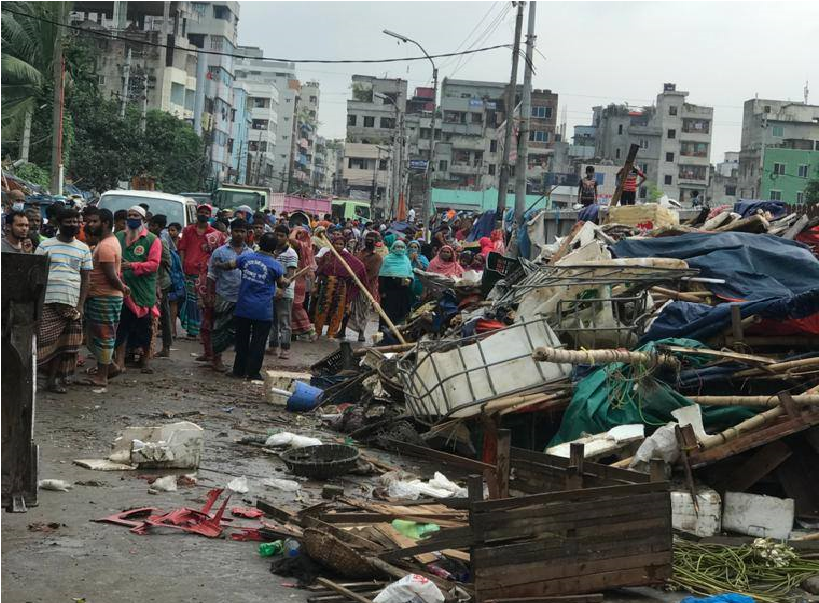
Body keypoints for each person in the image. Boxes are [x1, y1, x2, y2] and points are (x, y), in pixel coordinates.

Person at [214, 232, 291, 381]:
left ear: (259, 243)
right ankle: (253, 373)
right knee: (259, 343)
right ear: (275, 248)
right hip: (263, 311)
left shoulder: (246, 258)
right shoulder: (275, 265)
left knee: (241, 341)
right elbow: (282, 283)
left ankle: (238, 371)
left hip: (243, 308)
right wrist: (286, 282)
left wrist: (217, 264)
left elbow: (229, 265)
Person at [35, 207, 93, 393]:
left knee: (64, 346)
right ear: (59, 223)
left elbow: (86, 279)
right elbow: (36, 273)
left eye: (76, 222)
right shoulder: (46, 246)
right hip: (48, 302)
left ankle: (53, 380)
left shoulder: (83, 249)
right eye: (69, 222)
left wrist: (81, 305)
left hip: (71, 304)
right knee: (42, 343)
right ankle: (34, 380)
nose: (73, 225)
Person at [82, 209, 130, 388]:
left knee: (104, 337)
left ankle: (103, 376)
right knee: (98, 336)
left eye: (94, 221)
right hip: (101, 296)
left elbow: (111, 275)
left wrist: (122, 287)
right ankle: (109, 367)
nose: (89, 225)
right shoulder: (107, 243)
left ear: (105, 223)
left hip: (105, 297)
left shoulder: (106, 246)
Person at [113, 206, 161, 375]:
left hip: (143, 290)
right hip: (121, 289)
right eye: (130, 215)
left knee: (145, 328)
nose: (132, 218)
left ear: (143, 220)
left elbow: (154, 264)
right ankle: (119, 360)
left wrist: (132, 265)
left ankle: (146, 360)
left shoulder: (152, 240)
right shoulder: (118, 237)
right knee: (121, 326)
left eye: (136, 216)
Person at [207, 219, 251, 371]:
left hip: (243, 297)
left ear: (247, 233)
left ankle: (239, 363)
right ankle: (216, 359)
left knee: (240, 331)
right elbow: (211, 275)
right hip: (223, 295)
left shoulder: (251, 254)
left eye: (243, 231)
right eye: (237, 230)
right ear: (231, 232)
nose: (239, 234)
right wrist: (209, 294)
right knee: (219, 328)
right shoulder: (219, 252)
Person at [176, 204, 217, 342]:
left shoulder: (213, 234)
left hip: (204, 272)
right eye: (201, 212)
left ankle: (200, 330)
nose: (203, 214)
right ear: (197, 214)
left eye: (206, 212)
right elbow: (182, 248)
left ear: (209, 216)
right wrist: (182, 265)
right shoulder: (188, 230)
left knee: (201, 302)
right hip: (188, 270)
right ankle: (192, 330)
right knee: (190, 301)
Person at [314, 234, 366, 339]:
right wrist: (316, 286)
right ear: (332, 244)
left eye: (341, 244)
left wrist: (355, 277)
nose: (338, 246)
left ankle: (331, 333)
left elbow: (360, 267)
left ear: (344, 245)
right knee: (322, 308)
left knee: (338, 310)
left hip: (341, 286)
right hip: (327, 285)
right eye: (336, 244)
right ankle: (317, 331)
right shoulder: (327, 255)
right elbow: (320, 271)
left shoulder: (348, 258)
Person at [267, 224, 298, 359]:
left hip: (285, 292)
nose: (278, 238)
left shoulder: (291, 253)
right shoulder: (273, 251)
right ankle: (273, 346)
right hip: (272, 290)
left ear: (287, 237)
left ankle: (285, 349)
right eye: (277, 235)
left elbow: (290, 275)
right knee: (272, 320)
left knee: (284, 322)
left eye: (282, 235)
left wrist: (282, 289)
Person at [347, 231, 383, 342]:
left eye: (371, 240)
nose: (369, 241)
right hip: (353, 285)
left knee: (363, 310)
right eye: (367, 239)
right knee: (348, 310)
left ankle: (361, 333)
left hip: (366, 287)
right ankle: (343, 329)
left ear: (375, 242)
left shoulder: (377, 258)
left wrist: (361, 280)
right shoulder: (358, 253)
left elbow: (373, 273)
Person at [148, 214, 173, 358]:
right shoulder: (147, 239)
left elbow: (168, 261)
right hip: (151, 281)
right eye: (150, 225)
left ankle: (166, 347)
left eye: (154, 226)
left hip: (161, 283)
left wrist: (155, 260)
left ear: (161, 227)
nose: (151, 228)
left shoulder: (161, 241)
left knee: (163, 315)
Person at [377, 239, 415, 329]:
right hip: (389, 293)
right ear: (393, 248)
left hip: (403, 293)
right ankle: (384, 334)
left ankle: (398, 335)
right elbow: (382, 275)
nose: (400, 248)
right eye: (397, 246)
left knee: (401, 315)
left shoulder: (406, 260)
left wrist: (409, 281)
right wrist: (382, 291)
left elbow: (410, 273)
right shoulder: (387, 259)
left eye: (402, 247)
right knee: (387, 314)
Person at [289, 226, 317, 341]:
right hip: (293, 276)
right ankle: (293, 331)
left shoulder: (303, 245)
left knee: (296, 305)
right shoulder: (304, 246)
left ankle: (308, 329)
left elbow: (291, 239)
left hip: (298, 278)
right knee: (291, 305)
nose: (297, 234)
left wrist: (295, 230)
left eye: (300, 233)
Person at [407, 240, 429, 307]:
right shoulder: (405, 257)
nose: (413, 249)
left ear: (418, 249)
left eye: (415, 247)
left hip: (419, 283)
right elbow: (405, 269)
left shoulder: (423, 258)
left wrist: (417, 260)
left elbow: (425, 270)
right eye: (411, 247)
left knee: (418, 304)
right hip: (407, 282)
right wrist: (410, 260)